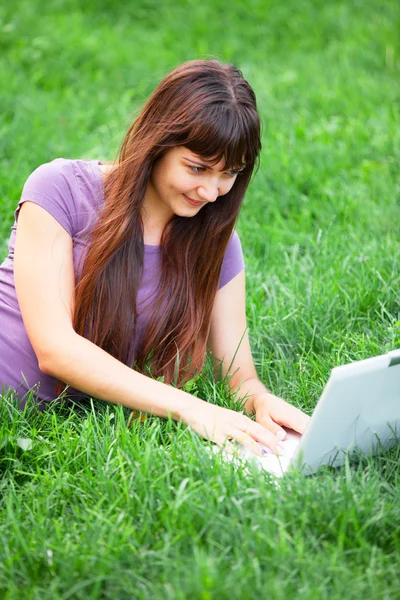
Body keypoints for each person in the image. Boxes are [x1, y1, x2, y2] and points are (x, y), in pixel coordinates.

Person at [0, 59, 309, 456]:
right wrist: (189, 408)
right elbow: (55, 348)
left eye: (229, 173)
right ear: (158, 143)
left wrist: (261, 401)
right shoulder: (61, 190)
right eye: (197, 168)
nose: (212, 191)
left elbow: (238, 376)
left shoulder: (217, 243)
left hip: (51, 431)